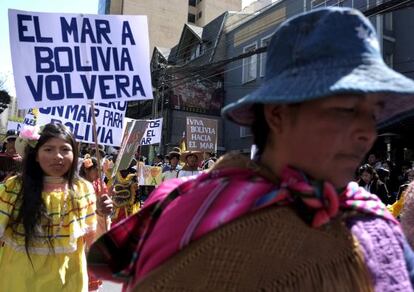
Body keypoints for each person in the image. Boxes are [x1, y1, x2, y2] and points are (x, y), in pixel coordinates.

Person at [88, 7, 414, 291]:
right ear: (278, 114)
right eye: (345, 110)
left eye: (372, 114)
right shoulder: (199, 219)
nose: (366, 132)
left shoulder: (374, 218)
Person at [0, 123, 112, 291]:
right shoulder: (14, 187)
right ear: (36, 155)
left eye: (65, 149)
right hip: (20, 281)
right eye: (48, 149)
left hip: (68, 281)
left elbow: (95, 244)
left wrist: (102, 214)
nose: (58, 156)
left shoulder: (83, 189)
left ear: (74, 154)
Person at [79, 154, 113, 291]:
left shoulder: (100, 182)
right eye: (95, 170)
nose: (98, 173)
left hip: (98, 223)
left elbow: (105, 199)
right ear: (86, 170)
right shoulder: (78, 185)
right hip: (84, 223)